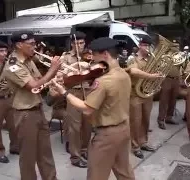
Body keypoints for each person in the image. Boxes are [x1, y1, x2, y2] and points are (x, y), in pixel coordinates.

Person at [50, 37, 135, 180]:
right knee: (124, 172)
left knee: (96, 174)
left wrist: (64, 92)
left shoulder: (103, 81)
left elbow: (87, 108)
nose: (92, 60)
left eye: (94, 55)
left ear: (105, 54)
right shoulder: (124, 74)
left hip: (107, 135)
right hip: (124, 129)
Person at [3, 31, 61, 180]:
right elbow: (34, 86)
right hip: (25, 114)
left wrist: (55, 79)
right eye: (31, 44)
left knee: (45, 152)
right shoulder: (13, 65)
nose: (34, 47)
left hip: (38, 110)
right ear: (19, 45)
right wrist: (53, 69)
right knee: (28, 156)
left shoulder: (29, 61)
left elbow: (40, 82)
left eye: (35, 43)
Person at [126, 37, 162, 159]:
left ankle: (143, 142)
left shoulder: (151, 59)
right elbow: (133, 71)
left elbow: (158, 72)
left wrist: (157, 82)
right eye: (145, 46)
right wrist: (151, 76)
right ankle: (135, 146)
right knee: (136, 121)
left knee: (146, 120)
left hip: (147, 94)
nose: (147, 48)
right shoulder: (132, 58)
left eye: (149, 46)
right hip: (135, 94)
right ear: (140, 45)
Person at [60, 31, 91, 168]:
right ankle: (75, 156)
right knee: (74, 127)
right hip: (73, 92)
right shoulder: (66, 57)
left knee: (88, 125)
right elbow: (61, 74)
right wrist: (74, 69)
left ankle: (85, 150)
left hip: (89, 91)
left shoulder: (89, 55)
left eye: (82, 43)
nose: (79, 46)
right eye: (76, 43)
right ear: (72, 43)